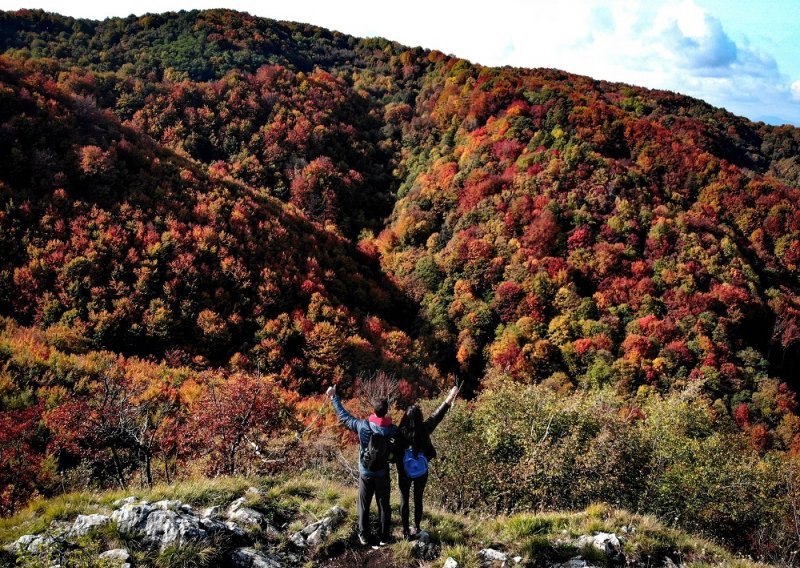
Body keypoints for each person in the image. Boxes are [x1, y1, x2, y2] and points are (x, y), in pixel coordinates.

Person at [326, 384, 399, 546]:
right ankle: (384, 537)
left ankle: (363, 535)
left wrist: (333, 397)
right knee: (383, 505)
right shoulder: (393, 430)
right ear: (386, 411)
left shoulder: (363, 426)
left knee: (363, 503)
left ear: (373, 410)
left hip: (365, 471)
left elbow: (344, 417)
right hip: (382, 472)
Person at [396, 385, 459, 539]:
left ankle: (405, 531)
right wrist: (450, 397)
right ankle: (416, 527)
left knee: (404, 500)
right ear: (420, 418)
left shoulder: (399, 433)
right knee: (418, 498)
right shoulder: (425, 429)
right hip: (421, 471)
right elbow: (438, 415)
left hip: (404, 471)